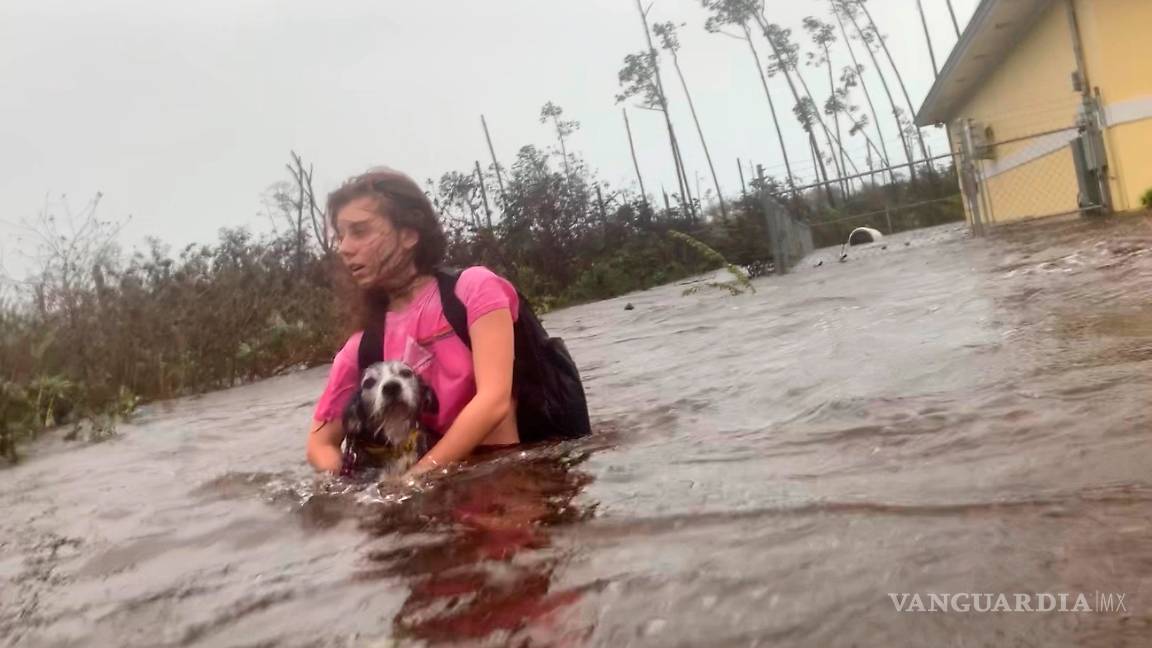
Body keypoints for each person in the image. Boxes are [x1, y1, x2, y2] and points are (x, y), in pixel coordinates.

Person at [306, 167, 520, 477]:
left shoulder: (473, 290)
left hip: (506, 470)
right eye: (340, 236)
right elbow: (319, 445)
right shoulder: (363, 346)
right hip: (433, 487)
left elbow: (494, 401)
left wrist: (414, 479)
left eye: (360, 231)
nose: (344, 248)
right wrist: (353, 486)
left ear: (409, 234)